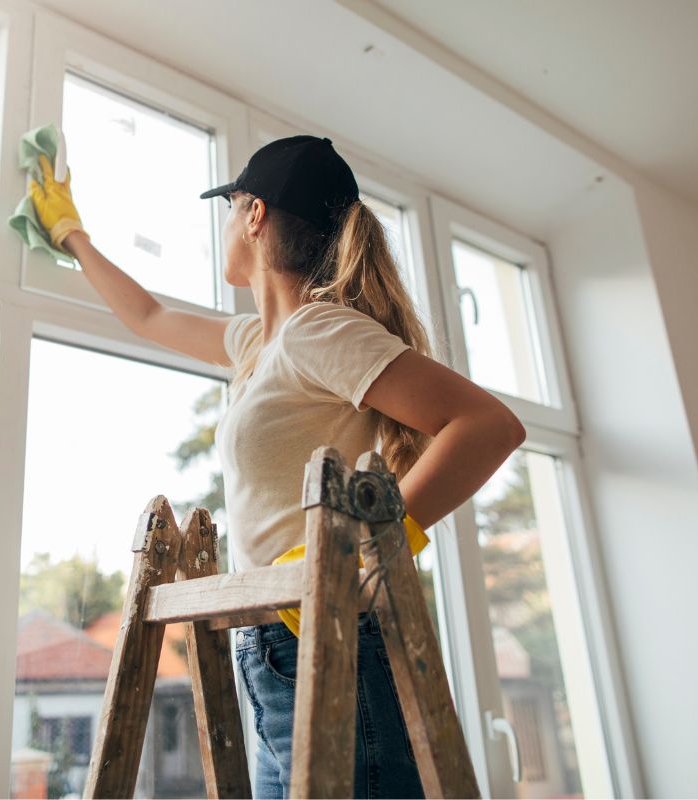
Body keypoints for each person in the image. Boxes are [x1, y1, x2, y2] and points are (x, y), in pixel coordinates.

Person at [29, 134, 525, 799]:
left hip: (331, 638)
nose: (227, 224)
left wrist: (367, 550)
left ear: (255, 214)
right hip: (272, 646)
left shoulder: (320, 331)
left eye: (231, 208)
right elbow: (147, 315)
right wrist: (71, 234)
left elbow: (489, 427)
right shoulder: (257, 343)